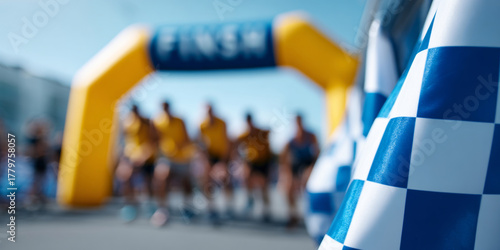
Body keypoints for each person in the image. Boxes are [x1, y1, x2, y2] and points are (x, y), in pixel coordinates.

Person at [151, 101, 196, 227]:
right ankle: (162, 209)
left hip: (182, 157)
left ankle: (187, 207)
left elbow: (187, 138)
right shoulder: (156, 121)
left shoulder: (179, 120)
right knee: (161, 178)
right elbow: (155, 139)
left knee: (186, 183)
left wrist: (180, 147)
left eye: (167, 107)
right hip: (166, 157)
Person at [115, 104, 157, 222]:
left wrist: (144, 155)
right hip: (131, 156)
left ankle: (150, 207)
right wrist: (123, 156)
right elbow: (125, 140)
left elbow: (153, 140)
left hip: (146, 157)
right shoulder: (127, 122)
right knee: (125, 178)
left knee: (147, 183)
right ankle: (130, 206)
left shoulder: (147, 122)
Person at [280, 114, 319, 228]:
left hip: (308, 163)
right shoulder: (291, 141)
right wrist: (286, 175)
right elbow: (284, 159)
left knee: (307, 181)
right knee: (288, 188)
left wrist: (311, 168)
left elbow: (317, 154)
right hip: (296, 164)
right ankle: (293, 214)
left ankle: (311, 212)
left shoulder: (311, 136)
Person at [234, 112, 272, 222]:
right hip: (251, 162)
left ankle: (266, 210)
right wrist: (240, 159)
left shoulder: (261, 132)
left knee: (264, 187)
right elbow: (235, 143)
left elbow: (269, 134)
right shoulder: (244, 135)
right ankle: (250, 199)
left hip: (264, 162)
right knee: (246, 178)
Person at [198, 103, 233, 224]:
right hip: (210, 156)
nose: (209, 113)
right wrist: (206, 160)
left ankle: (228, 207)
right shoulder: (202, 125)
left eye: (211, 111)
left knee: (224, 178)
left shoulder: (222, 123)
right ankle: (211, 208)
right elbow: (201, 143)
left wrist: (223, 162)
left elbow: (227, 141)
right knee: (207, 181)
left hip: (222, 156)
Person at [25, 119, 51, 209]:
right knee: (35, 181)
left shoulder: (41, 138)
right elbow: (37, 151)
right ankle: (32, 198)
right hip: (37, 162)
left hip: (41, 162)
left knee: (40, 181)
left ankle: (38, 197)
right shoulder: (35, 139)